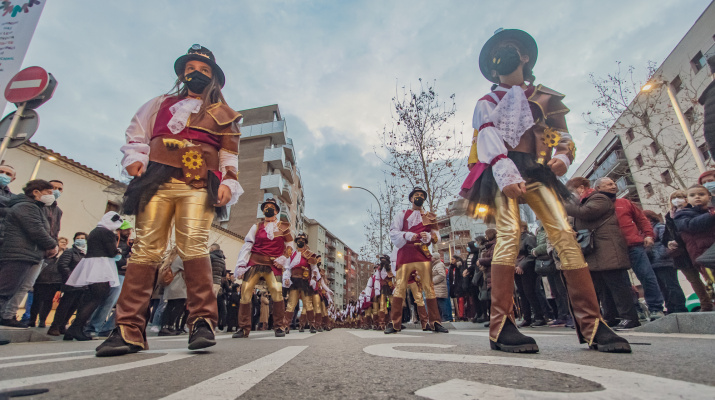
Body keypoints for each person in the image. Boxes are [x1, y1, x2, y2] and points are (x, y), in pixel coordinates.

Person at [460, 29, 629, 353]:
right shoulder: (487, 101)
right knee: (509, 234)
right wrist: (503, 168)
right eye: (497, 51)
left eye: (510, 48)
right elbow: (487, 136)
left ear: (525, 56)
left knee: (564, 234)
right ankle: (501, 326)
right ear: (492, 69)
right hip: (502, 170)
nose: (504, 53)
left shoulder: (546, 97)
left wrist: (564, 156)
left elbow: (562, 136)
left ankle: (592, 325)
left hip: (538, 171)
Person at [96, 45, 243, 357]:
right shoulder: (159, 103)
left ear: (214, 77)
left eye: (204, 70)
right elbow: (137, 133)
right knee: (146, 247)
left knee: (194, 243)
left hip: (199, 182)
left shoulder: (225, 115)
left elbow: (229, 154)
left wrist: (229, 181)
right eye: (192, 68)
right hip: (156, 178)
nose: (197, 74)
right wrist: (135, 157)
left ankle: (202, 321)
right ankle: (128, 328)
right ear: (182, 73)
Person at [565, 177, 640, 330]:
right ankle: (611, 316)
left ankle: (629, 317)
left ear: (580, 189)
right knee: (603, 287)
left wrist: (562, 205)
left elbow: (585, 213)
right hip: (596, 251)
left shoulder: (599, 198)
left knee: (618, 286)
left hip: (608, 248)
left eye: (571, 192)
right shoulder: (585, 201)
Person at [594, 177, 665, 320]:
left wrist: (648, 235)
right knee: (623, 284)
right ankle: (635, 310)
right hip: (613, 250)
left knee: (647, 276)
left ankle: (656, 309)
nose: (613, 186)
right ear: (598, 189)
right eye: (608, 184)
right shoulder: (596, 208)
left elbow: (642, 220)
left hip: (635, 246)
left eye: (613, 183)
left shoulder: (625, 203)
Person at [385, 186, 448, 334]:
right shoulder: (403, 214)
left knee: (429, 288)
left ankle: (435, 322)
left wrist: (429, 237)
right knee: (400, 287)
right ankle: (394, 323)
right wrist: (407, 235)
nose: (419, 197)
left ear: (424, 199)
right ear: (411, 198)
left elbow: (436, 235)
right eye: (416, 195)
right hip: (405, 253)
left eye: (421, 195)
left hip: (422, 254)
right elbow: (393, 231)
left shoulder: (430, 216)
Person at [0, 180, 58, 328]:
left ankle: (6, 317)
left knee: (9, 291)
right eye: (48, 192)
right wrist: (52, 245)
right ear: (36, 192)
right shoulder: (27, 206)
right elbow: (36, 230)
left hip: (26, 253)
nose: (52, 196)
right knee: (4, 291)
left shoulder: (35, 207)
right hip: (18, 253)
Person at [233, 198, 291, 338]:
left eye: (271, 207)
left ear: (276, 211)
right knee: (245, 292)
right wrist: (241, 264)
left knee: (277, 293)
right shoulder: (256, 226)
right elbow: (247, 245)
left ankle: (279, 327)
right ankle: (243, 328)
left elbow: (289, 245)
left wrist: (283, 259)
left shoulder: (284, 226)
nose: (268, 208)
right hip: (255, 261)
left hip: (273, 264)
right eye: (266, 207)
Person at [62, 212, 123, 341]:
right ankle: (76, 328)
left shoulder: (95, 230)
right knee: (97, 297)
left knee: (89, 297)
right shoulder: (107, 233)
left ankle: (75, 328)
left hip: (91, 263)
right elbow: (111, 252)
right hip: (101, 265)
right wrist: (118, 251)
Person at [664, 190, 713, 311]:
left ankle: (711, 300)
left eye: (680, 197)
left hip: (696, 249)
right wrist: (669, 242)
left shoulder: (695, 210)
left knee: (709, 277)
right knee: (694, 280)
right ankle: (705, 304)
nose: (677, 200)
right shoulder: (669, 216)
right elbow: (666, 236)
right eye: (674, 198)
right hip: (681, 254)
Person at [643, 210, 688, 314]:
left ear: (650, 218)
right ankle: (670, 308)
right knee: (663, 288)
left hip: (664, 262)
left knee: (671, 285)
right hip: (653, 263)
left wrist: (661, 254)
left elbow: (667, 242)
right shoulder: (644, 231)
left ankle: (680, 307)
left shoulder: (659, 227)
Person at [47, 232, 87, 336]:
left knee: (74, 306)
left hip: (82, 284)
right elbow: (63, 265)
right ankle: (54, 326)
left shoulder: (87, 253)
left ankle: (63, 325)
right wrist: (72, 277)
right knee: (65, 305)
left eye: (83, 238)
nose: (80, 240)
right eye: (78, 238)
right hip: (71, 283)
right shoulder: (70, 252)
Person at [675, 185, 715, 278]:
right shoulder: (682, 215)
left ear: (709, 198)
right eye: (692, 195)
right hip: (704, 255)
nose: (697, 197)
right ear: (687, 200)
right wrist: (711, 215)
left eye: (701, 194)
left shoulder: (711, 211)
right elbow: (691, 225)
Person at [282, 232, 318, 333]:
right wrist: (286, 278)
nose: (300, 241)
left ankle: (312, 325)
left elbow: (314, 269)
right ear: (296, 241)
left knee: (308, 304)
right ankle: (286, 326)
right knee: (291, 304)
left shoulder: (310, 255)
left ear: (305, 242)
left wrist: (313, 280)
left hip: (304, 281)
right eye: (298, 240)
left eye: (302, 240)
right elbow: (287, 268)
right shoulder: (291, 254)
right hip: (294, 280)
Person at [29, 237, 68, 328]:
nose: (64, 244)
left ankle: (42, 320)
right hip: (41, 279)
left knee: (48, 301)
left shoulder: (65, 254)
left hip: (54, 281)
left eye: (65, 242)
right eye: (62, 242)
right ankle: (32, 320)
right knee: (36, 301)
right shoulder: (49, 252)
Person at [432, 255, 449, 322]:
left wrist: (432, 281)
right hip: (436, 288)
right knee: (438, 304)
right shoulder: (434, 265)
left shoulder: (439, 265)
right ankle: (440, 318)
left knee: (441, 303)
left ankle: (445, 317)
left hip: (439, 287)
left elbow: (442, 275)